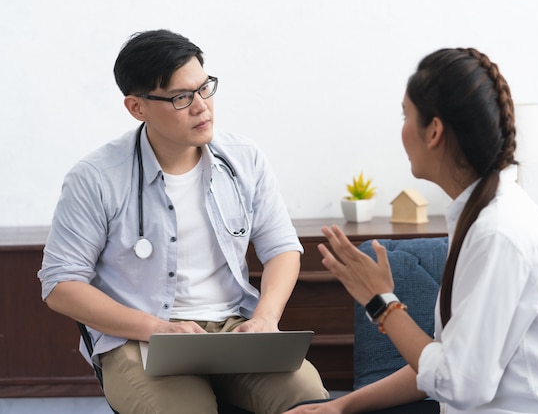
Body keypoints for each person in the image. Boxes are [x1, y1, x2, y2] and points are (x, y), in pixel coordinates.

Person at [285, 48, 538, 413]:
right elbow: (441, 364)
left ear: (435, 131)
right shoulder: (480, 216)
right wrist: (340, 406)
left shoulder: (499, 232)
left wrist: (382, 302)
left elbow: (459, 383)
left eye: (405, 115)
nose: (400, 130)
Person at [38, 29, 328, 414]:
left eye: (205, 88)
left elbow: (283, 249)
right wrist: (157, 328)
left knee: (307, 399)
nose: (201, 107)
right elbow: (60, 284)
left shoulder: (244, 159)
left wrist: (265, 320)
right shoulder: (96, 177)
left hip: (232, 329)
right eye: (181, 97)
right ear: (136, 107)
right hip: (140, 336)